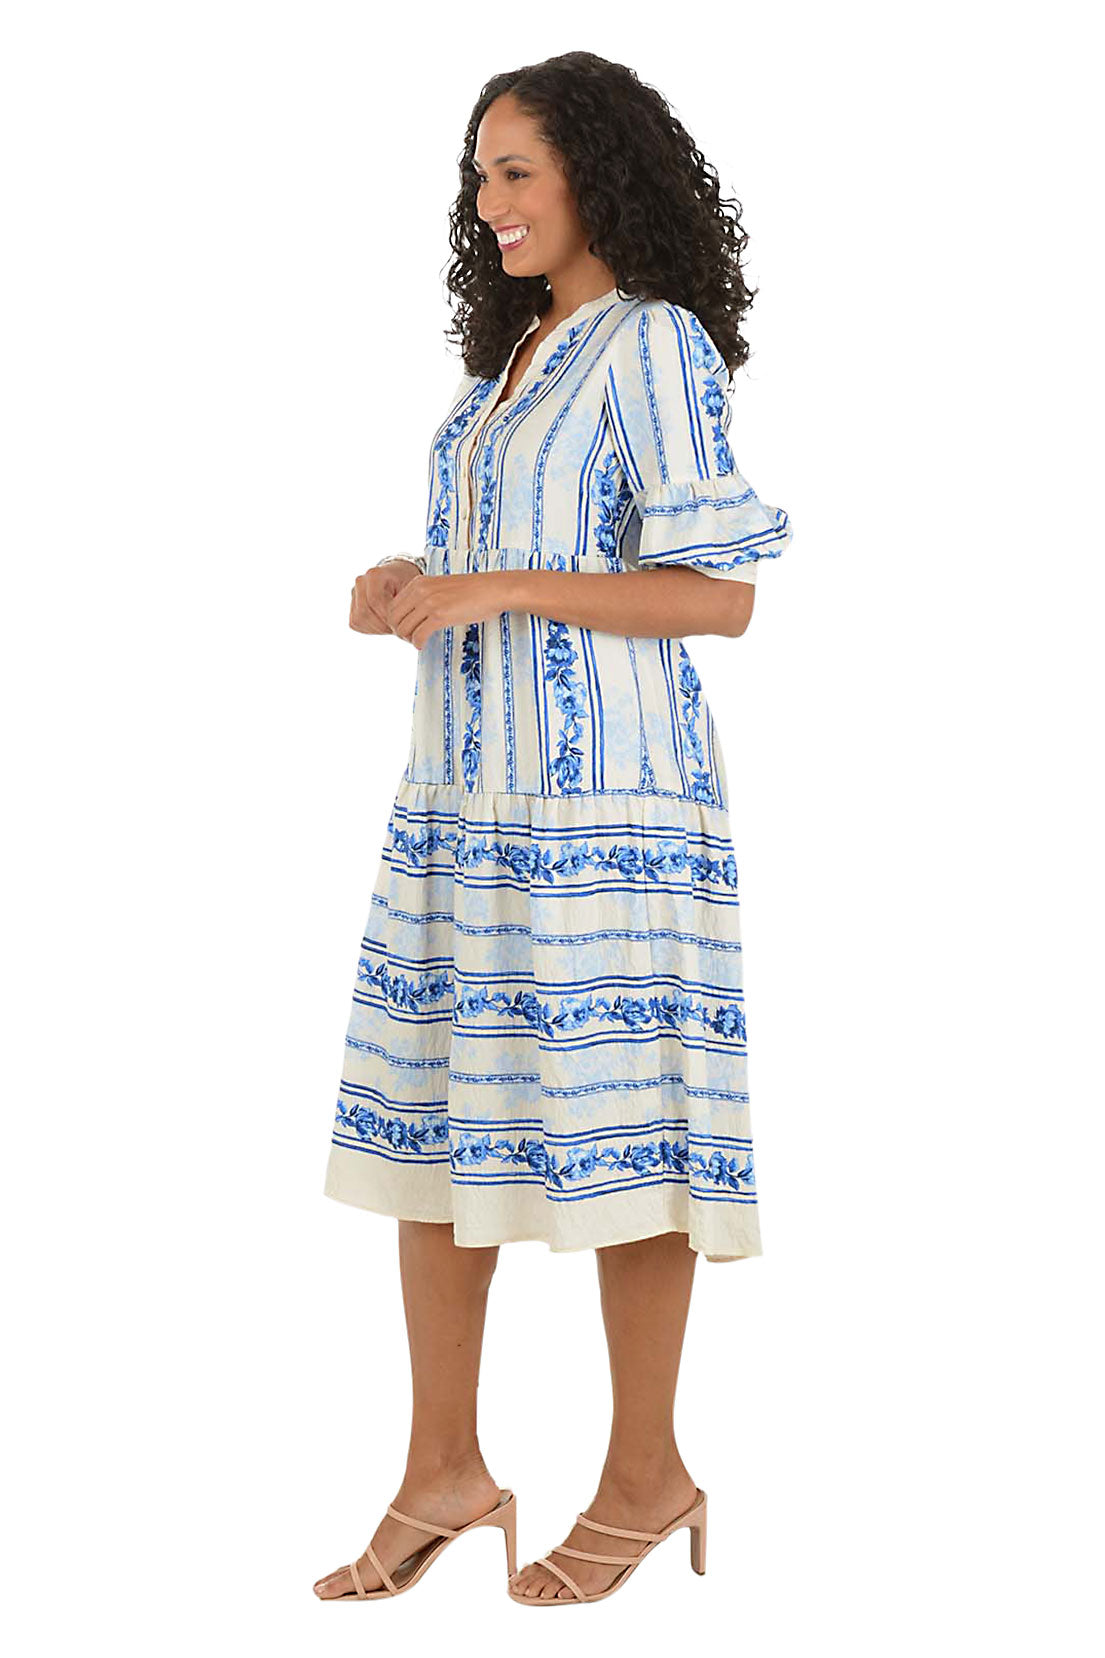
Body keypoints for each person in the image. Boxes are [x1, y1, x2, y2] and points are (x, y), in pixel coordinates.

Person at [314, 51, 793, 1607]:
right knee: (432, 1128)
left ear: (599, 171)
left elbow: (715, 595)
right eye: (478, 174)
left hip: (606, 810)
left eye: (516, 169)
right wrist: (410, 586)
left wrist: (499, 587)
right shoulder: (506, 366)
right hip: (462, 803)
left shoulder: (652, 343)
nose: (489, 201)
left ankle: (647, 1474)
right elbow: (495, 566)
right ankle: (441, 1467)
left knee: (623, 1129)